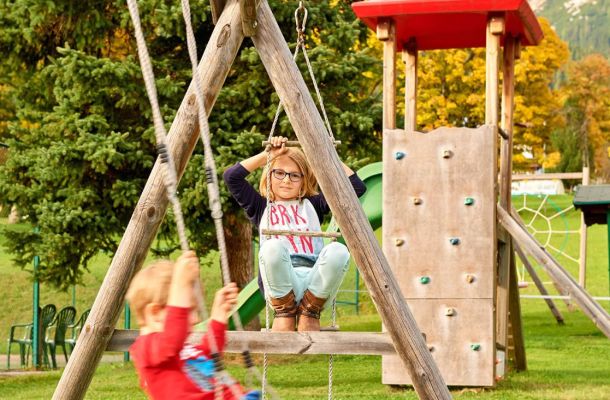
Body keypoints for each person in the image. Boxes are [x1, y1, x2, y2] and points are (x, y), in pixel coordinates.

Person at [223, 136, 366, 332]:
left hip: (313, 285)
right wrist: (268, 155)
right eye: (279, 173)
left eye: (294, 175)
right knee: (273, 247)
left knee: (338, 250)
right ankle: (284, 311)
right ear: (269, 175)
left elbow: (357, 187)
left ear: (303, 180)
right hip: (280, 286)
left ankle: (310, 311)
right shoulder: (260, 206)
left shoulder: (314, 205)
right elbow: (231, 177)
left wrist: (325, 155)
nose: (286, 180)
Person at [126, 251, 260, 400]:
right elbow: (171, 340)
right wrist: (180, 284)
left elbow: (208, 354)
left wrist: (218, 315)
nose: (196, 319)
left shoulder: (181, 349)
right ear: (155, 313)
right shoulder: (146, 348)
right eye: (187, 310)